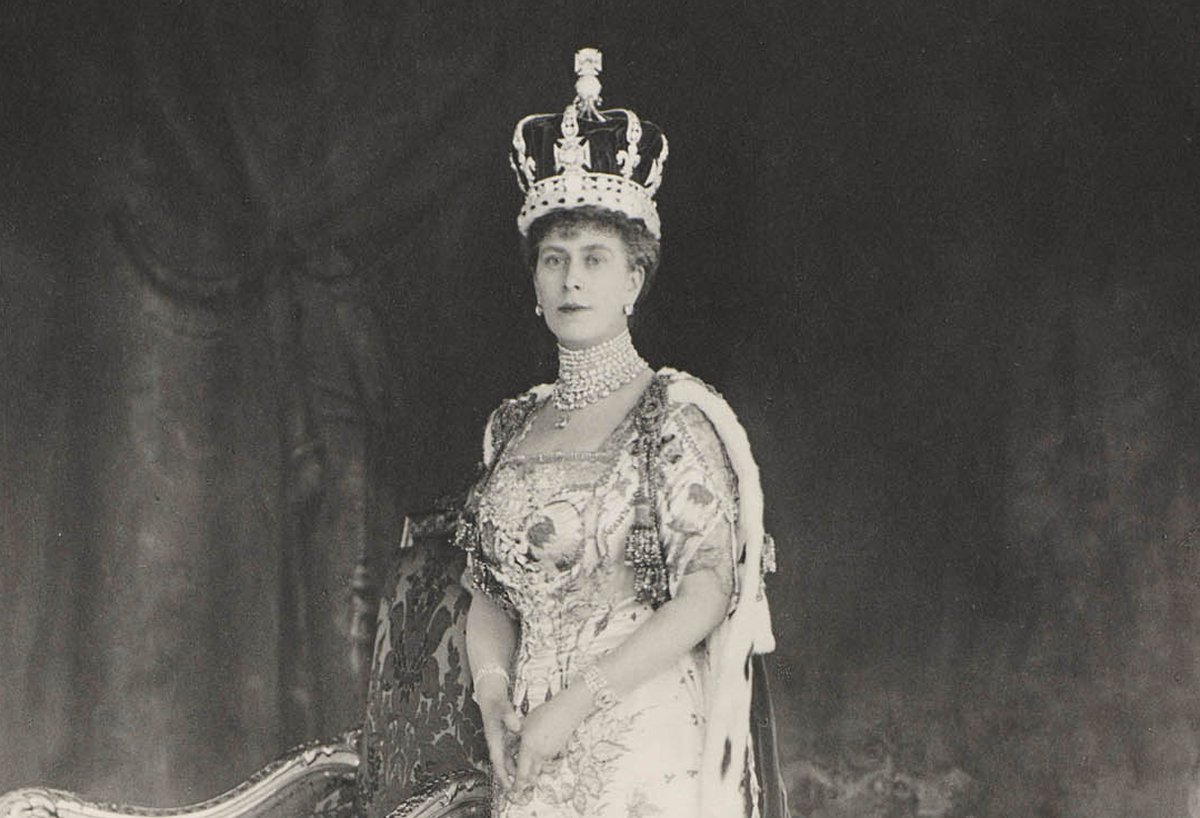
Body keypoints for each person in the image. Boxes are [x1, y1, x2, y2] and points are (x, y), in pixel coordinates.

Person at [457, 48, 777, 818]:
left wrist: (575, 705)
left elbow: (706, 592)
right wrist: (495, 699)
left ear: (633, 282)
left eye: (596, 259)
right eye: (554, 260)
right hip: (528, 747)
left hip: (642, 744)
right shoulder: (511, 426)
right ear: (534, 284)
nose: (572, 280)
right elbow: (487, 592)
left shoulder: (672, 414)